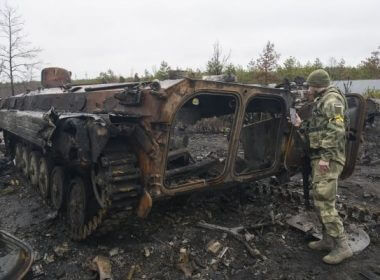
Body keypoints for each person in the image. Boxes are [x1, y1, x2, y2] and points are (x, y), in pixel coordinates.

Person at [293, 69, 353, 264]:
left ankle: (343, 246)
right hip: (320, 156)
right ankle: (327, 240)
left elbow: (337, 130)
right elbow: (321, 127)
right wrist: (301, 125)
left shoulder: (331, 100)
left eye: (309, 86)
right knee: (320, 198)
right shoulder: (323, 100)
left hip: (328, 158)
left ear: (317, 85)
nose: (308, 90)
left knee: (325, 201)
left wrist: (326, 157)